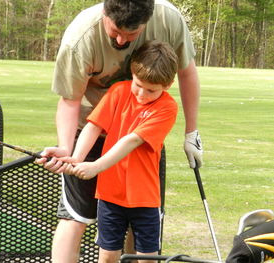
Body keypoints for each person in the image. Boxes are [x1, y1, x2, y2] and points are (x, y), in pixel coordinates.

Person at [36, 0, 203, 262]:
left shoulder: (169, 19)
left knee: (141, 221)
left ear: (147, 21)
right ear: (105, 12)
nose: (122, 41)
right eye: (115, 32)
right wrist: (69, 153)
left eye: (132, 34)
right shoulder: (80, 39)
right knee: (76, 217)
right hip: (88, 132)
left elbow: (187, 73)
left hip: (142, 142)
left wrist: (191, 133)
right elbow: (70, 101)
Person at [60, 40, 179, 263]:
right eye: (138, 84)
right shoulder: (118, 92)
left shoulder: (167, 107)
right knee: (107, 256)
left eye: (151, 90)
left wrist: (95, 166)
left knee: (146, 258)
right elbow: (93, 126)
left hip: (145, 199)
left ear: (168, 85)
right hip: (109, 195)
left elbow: (131, 141)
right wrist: (76, 158)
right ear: (132, 73)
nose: (142, 94)